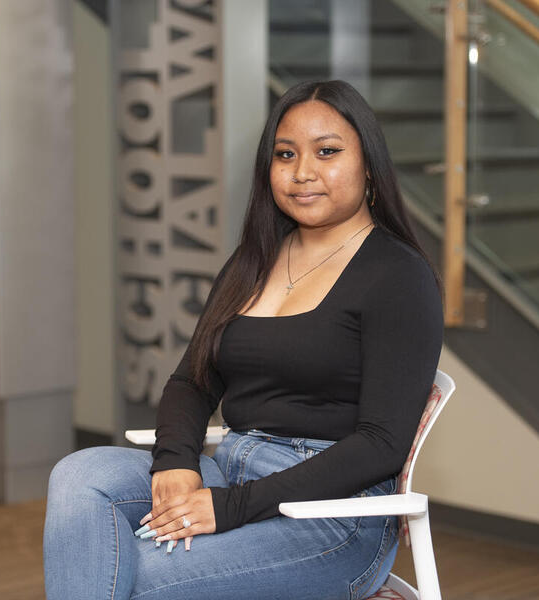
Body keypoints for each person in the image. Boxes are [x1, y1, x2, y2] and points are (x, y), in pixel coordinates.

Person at [44, 79, 444, 600]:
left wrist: (228, 507)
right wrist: (176, 464)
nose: (303, 173)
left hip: (331, 516)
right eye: (285, 154)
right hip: (229, 468)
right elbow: (191, 381)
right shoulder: (255, 259)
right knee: (80, 476)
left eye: (327, 152)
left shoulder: (397, 275)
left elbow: (380, 446)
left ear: (369, 165)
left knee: (122, 567)